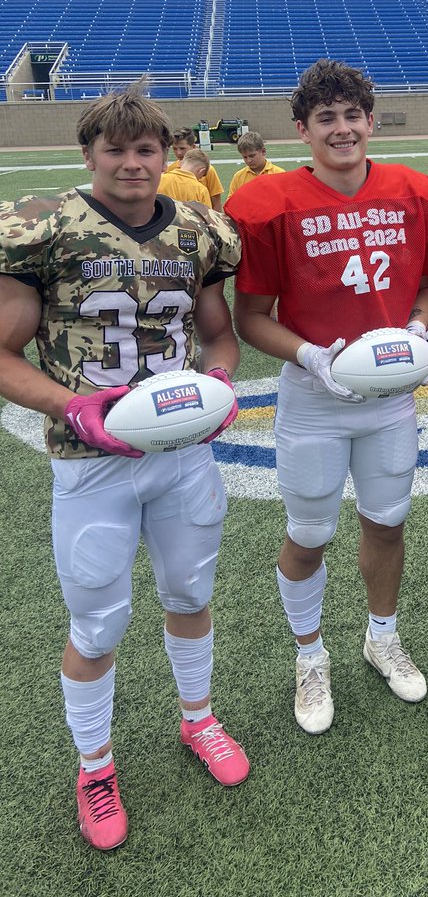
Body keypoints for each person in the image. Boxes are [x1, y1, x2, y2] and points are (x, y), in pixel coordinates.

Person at [0, 85, 248, 851]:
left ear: (165, 154)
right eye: (116, 150)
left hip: (182, 452)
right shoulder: (46, 227)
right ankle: (95, 767)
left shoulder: (200, 231)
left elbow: (220, 336)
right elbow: (3, 353)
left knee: (191, 592)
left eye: (146, 149)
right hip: (91, 462)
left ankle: (198, 719)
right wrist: (72, 407)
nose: (132, 163)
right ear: (89, 154)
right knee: (99, 624)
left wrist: (220, 384)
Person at [226, 59, 428, 735]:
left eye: (353, 115)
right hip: (314, 397)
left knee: (387, 521)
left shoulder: (414, 192)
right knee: (309, 534)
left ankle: (382, 637)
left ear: (371, 121)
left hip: (388, 395)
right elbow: (251, 317)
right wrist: (311, 357)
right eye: (326, 117)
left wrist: (417, 331)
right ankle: (310, 654)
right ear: (303, 129)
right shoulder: (270, 203)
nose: (342, 128)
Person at [168, 127, 224, 210]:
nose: (178, 153)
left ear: (193, 147)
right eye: (175, 149)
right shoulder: (170, 170)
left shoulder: (208, 170)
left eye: (182, 148)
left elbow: (216, 203)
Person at [227, 131, 285, 197]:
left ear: (263, 151)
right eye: (245, 157)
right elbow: (232, 201)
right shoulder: (238, 177)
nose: (248, 160)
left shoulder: (280, 174)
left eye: (252, 156)